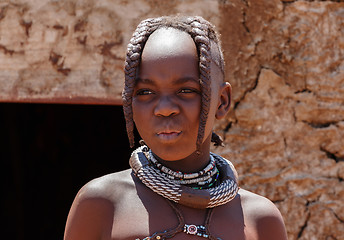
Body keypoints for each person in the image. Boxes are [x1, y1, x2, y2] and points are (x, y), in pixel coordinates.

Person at [64, 15, 287, 240]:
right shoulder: (102, 205)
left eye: (186, 90)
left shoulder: (260, 220)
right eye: (145, 92)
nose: (164, 109)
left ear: (222, 101)